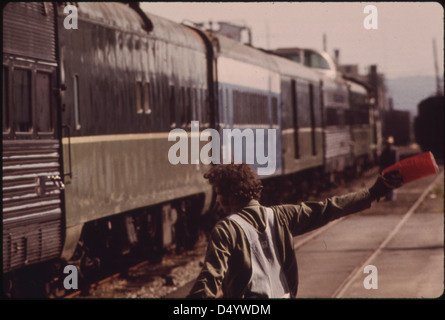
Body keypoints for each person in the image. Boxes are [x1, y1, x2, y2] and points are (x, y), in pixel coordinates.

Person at [187, 163, 403, 299]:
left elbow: (210, 278)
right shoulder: (281, 215)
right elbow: (329, 208)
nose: (217, 199)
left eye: (219, 192)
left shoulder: (226, 229)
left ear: (231, 195)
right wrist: (375, 192)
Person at [379, 136, 399, 201]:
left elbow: (395, 160)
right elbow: (382, 161)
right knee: (388, 182)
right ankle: (389, 196)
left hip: (390, 168)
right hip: (388, 168)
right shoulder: (391, 150)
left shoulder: (390, 151)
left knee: (390, 182)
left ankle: (390, 196)